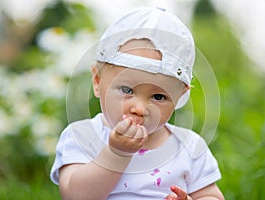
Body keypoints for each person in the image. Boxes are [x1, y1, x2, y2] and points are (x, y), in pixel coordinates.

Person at [50, 7, 224, 200]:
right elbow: (75, 196)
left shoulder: (189, 147)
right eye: (127, 90)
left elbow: (212, 196)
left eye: (158, 97)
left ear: (180, 96)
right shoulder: (83, 137)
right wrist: (117, 153)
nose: (140, 109)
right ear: (98, 82)